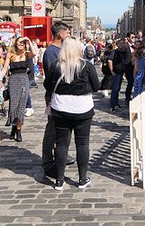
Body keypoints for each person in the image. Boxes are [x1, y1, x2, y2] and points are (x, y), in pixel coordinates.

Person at [44, 38, 100, 191]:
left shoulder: (56, 66)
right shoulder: (86, 66)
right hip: (82, 109)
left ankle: (59, 180)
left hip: (61, 109)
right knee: (82, 144)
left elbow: (47, 85)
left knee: (62, 144)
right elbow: (96, 87)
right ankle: (82, 179)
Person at [42, 21, 71, 179]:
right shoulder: (50, 52)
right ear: (60, 34)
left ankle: (61, 156)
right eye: (66, 32)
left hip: (65, 94)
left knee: (63, 129)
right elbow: (53, 75)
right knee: (52, 129)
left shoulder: (62, 49)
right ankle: (47, 161)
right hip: (53, 95)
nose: (68, 35)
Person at [4, 37, 37, 142]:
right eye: (20, 42)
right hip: (13, 80)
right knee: (14, 106)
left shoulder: (26, 54)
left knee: (22, 106)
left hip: (24, 80)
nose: (22, 44)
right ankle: (14, 127)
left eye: (24, 43)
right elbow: (5, 68)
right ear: (16, 43)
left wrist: (29, 40)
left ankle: (18, 129)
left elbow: (35, 53)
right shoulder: (10, 54)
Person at [109, 39, 133, 112]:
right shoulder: (115, 52)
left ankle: (116, 103)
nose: (121, 45)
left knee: (119, 88)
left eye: (123, 43)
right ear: (117, 44)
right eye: (120, 43)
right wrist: (112, 71)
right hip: (117, 72)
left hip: (124, 70)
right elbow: (110, 60)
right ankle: (113, 105)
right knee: (115, 89)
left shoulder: (126, 51)